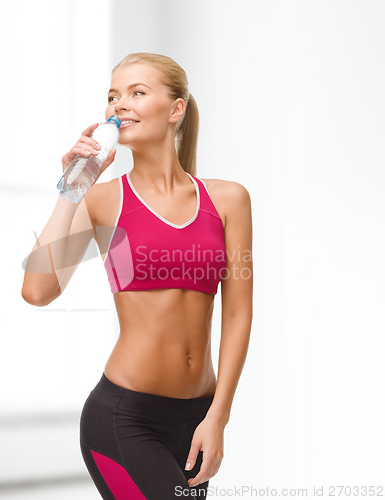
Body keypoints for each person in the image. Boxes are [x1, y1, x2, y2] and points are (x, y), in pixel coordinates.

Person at [21, 52, 253, 499]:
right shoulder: (103, 201)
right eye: (112, 96)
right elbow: (37, 290)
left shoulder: (229, 200)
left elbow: (238, 315)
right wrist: (73, 187)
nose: (118, 105)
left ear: (175, 109)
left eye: (136, 93)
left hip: (197, 416)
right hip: (124, 418)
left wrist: (217, 417)